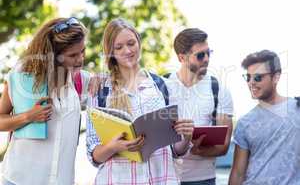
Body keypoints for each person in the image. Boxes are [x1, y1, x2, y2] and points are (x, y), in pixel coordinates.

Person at [86, 18, 194, 185]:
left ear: (139, 42)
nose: (127, 50)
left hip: (162, 179)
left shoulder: (163, 86)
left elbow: (176, 150)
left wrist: (186, 137)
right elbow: (93, 155)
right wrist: (114, 147)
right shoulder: (100, 90)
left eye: (131, 43)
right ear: (110, 52)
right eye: (119, 47)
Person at [0, 17, 90, 185]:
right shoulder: (22, 76)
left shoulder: (80, 81)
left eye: (82, 51)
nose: (80, 59)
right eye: (72, 55)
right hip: (19, 179)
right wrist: (27, 116)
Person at [165, 28, 233, 185]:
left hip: (203, 180)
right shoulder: (162, 86)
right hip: (166, 178)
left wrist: (199, 149)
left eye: (209, 52)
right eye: (200, 55)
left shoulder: (219, 90)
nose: (207, 58)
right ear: (182, 57)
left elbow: (223, 147)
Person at [229, 50, 300, 185]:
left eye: (257, 77)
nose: (251, 83)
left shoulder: (297, 109)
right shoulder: (245, 122)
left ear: (276, 77)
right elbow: (238, 173)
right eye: (248, 77)